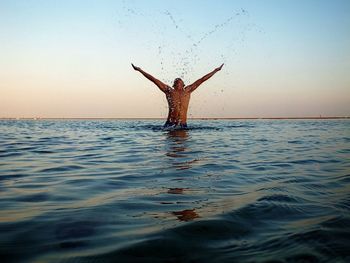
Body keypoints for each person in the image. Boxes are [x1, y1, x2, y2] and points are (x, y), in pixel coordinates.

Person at [132, 63, 223, 129]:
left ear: (183, 84)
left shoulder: (188, 90)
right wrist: (140, 70)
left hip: (183, 125)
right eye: (176, 80)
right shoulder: (169, 91)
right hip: (170, 124)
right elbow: (154, 80)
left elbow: (202, 79)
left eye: (180, 80)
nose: (178, 79)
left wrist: (215, 70)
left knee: (183, 148)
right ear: (173, 85)